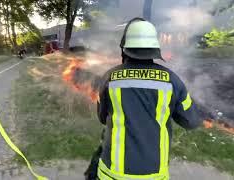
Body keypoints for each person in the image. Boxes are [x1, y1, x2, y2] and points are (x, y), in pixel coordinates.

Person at [85, 17, 201, 180]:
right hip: (154, 174)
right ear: (155, 48)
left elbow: (102, 118)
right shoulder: (172, 80)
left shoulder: (109, 78)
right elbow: (191, 121)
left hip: (112, 173)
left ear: (125, 48)